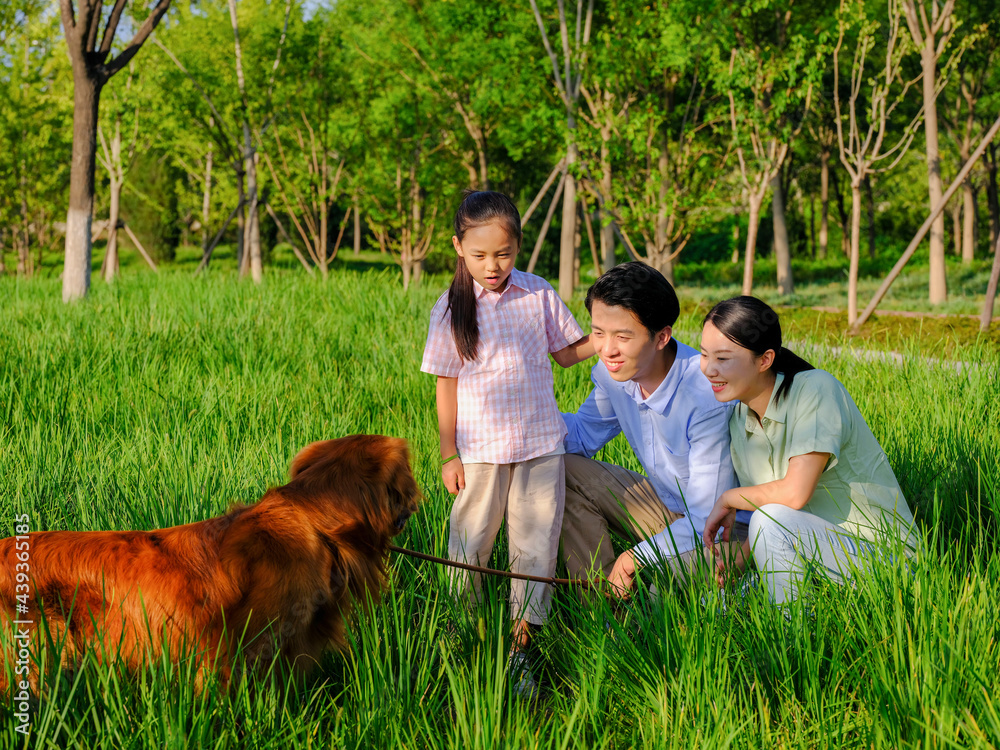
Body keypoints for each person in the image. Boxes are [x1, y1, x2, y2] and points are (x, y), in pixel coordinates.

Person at [420, 190, 594, 694]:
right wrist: (448, 453)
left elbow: (565, 354)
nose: (493, 266)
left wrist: (607, 336)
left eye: (504, 254)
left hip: (541, 443)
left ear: (519, 248)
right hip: (479, 452)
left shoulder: (538, 293)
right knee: (470, 545)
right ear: (458, 247)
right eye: (479, 255)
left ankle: (523, 651)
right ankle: (460, 640)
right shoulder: (450, 308)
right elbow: (445, 385)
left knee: (535, 546)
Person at [699, 296, 918, 604]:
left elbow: (793, 496)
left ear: (765, 359)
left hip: (887, 563)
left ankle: (791, 639)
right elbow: (782, 517)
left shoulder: (815, 389)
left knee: (768, 525)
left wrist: (729, 498)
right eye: (704, 355)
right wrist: (740, 559)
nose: (708, 369)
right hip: (821, 552)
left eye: (722, 359)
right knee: (717, 606)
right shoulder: (740, 420)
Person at [560, 262, 745, 596]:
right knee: (558, 468)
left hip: (718, 533)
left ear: (662, 337)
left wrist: (635, 557)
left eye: (623, 337)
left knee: (665, 590)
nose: (607, 349)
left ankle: (633, 589)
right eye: (599, 333)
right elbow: (581, 437)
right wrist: (523, 417)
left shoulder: (705, 396)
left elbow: (708, 517)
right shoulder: (613, 373)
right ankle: (601, 601)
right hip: (662, 505)